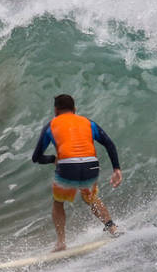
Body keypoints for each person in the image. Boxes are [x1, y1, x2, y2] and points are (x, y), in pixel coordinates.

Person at [31, 93, 122, 251]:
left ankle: (61, 242)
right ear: (74, 109)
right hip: (91, 165)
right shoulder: (88, 122)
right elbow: (109, 144)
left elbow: (36, 157)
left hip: (67, 166)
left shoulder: (51, 126)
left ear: (56, 110)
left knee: (58, 202)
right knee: (91, 198)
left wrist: (53, 159)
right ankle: (112, 227)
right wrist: (116, 169)